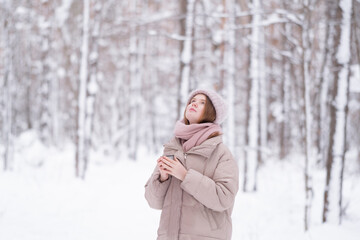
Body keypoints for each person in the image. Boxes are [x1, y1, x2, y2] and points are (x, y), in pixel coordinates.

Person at [145, 89, 239, 240]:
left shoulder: (221, 152)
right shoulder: (172, 149)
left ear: (211, 113)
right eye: (192, 101)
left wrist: (185, 176)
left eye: (202, 103)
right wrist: (162, 178)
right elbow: (153, 202)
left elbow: (224, 197)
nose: (194, 104)